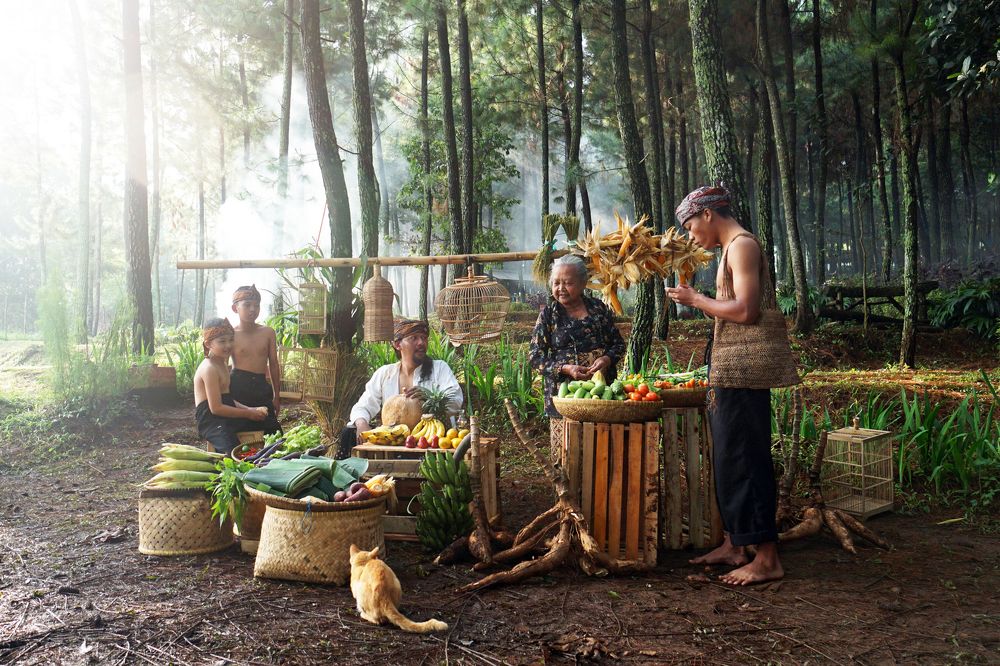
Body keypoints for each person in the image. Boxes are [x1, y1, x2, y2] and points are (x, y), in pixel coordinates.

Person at [666, 185, 799, 586]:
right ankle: (736, 544)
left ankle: (767, 558)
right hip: (729, 369)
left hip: (745, 373)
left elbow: (745, 310)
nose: (691, 236)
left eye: (690, 226)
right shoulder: (728, 250)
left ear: (708, 214)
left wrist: (697, 300)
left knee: (746, 458)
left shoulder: (742, 245)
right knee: (728, 458)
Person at [529, 254, 626, 451]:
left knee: (600, 453)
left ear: (583, 284)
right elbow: (535, 357)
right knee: (567, 453)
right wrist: (565, 368)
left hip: (600, 397)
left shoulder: (598, 309)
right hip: (564, 399)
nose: (560, 288)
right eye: (556, 283)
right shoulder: (549, 315)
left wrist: (606, 359)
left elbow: (618, 344)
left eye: (567, 283)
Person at [342, 319, 463, 457]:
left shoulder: (439, 368)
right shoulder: (385, 373)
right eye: (414, 338)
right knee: (347, 432)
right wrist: (362, 423)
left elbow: (456, 398)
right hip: (394, 445)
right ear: (397, 344)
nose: (421, 343)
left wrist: (430, 398)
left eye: (424, 338)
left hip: (432, 444)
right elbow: (362, 406)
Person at [194, 318, 268, 454]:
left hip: (225, 414)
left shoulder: (221, 363)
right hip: (211, 420)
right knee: (234, 452)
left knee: (267, 425)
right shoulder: (209, 368)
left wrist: (251, 409)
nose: (228, 345)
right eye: (222, 341)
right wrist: (248, 414)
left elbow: (228, 400)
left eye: (231, 340)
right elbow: (216, 408)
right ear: (208, 344)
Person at [229, 284, 282, 437]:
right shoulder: (230, 334)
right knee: (241, 432)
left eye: (256, 305)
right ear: (235, 308)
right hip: (238, 386)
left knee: (273, 432)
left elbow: (273, 364)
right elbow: (220, 365)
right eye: (247, 305)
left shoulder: (268, 333)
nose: (253, 309)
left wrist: (276, 395)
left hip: (260, 386)